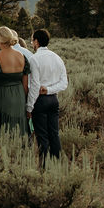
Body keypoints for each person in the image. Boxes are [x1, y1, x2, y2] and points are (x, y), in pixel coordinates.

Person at [26, 29, 68, 162]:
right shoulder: (57, 58)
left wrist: (29, 107)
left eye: (32, 40)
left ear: (36, 42)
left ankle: (44, 166)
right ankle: (56, 164)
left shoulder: (34, 59)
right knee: (54, 134)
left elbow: (34, 86)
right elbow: (64, 83)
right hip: (54, 100)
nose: (32, 43)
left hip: (40, 101)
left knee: (42, 136)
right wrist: (50, 90)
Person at [0, 26, 30, 139]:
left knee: (0, 128)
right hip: (19, 98)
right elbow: (25, 85)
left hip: (2, 98)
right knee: (18, 130)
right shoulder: (22, 57)